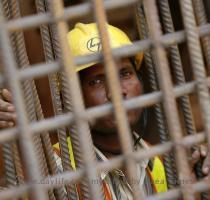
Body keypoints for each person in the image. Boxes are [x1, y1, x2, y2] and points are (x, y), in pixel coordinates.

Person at [0, 23, 210, 199]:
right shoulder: (55, 168)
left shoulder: (159, 162)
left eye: (125, 73)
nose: (117, 92)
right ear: (69, 100)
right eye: (96, 81)